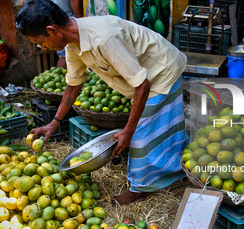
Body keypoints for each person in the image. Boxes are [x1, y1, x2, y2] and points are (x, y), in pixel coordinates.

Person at [16, 0, 190, 205]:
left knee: (142, 132)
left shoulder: (104, 38)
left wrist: (128, 130)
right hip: (144, 77)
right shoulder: (73, 43)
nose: (41, 47)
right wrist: (54, 122)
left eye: (38, 41)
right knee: (159, 128)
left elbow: (142, 86)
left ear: (51, 30)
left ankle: (139, 189)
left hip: (161, 70)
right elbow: (74, 85)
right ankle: (177, 167)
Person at [52, 0, 83, 68]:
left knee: (63, 56)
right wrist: (81, 21)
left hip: (57, 21)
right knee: (65, 55)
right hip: (66, 22)